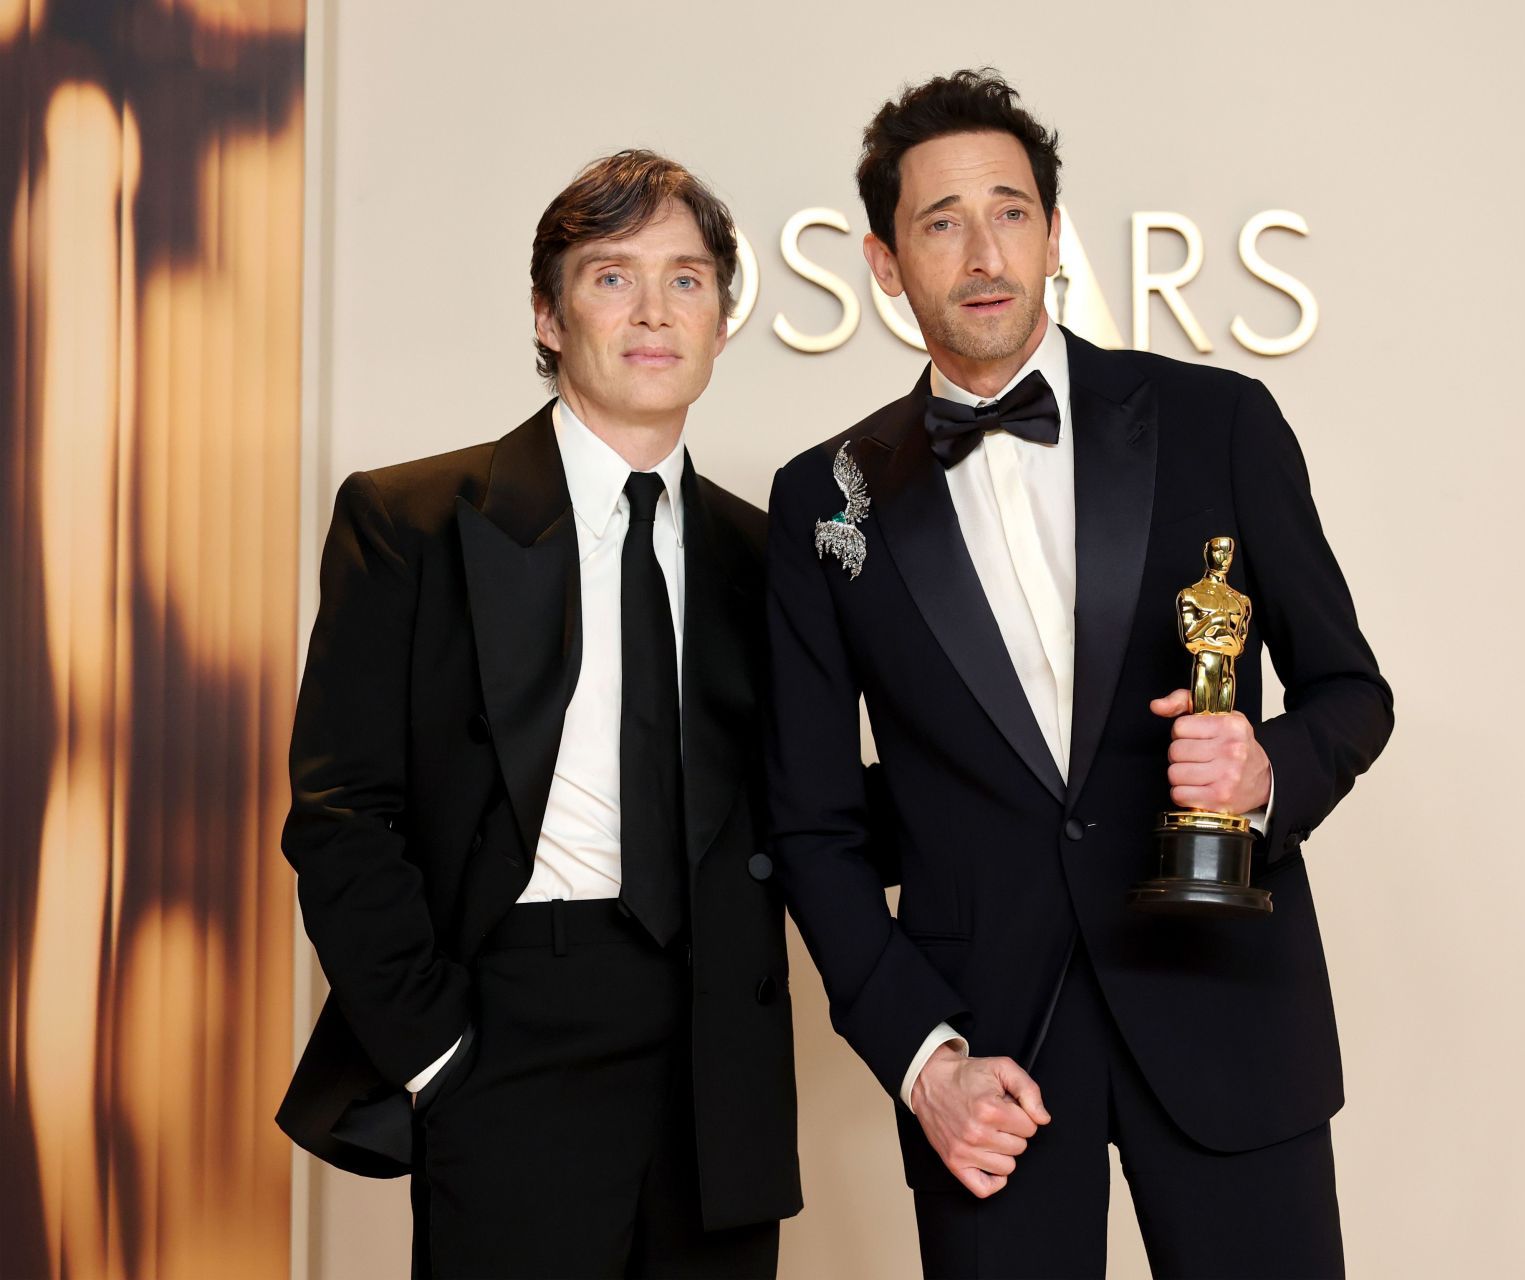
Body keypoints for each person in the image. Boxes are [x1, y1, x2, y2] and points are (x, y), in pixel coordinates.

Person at [765, 71, 1392, 1278]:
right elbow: (810, 823)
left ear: (1055, 234)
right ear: (887, 263)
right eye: (941, 221)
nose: (983, 249)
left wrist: (1265, 770)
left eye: (1010, 210)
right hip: (990, 1059)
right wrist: (921, 1059)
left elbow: (1351, 691)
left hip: (1226, 1006)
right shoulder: (822, 499)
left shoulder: (1220, 420)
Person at [276, 149, 798, 1278]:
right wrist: (435, 1048)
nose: (655, 311)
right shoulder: (409, 519)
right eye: (612, 277)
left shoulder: (760, 553)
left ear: (720, 317)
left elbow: (809, 806)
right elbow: (340, 812)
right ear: (548, 315)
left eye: (689, 279)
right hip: (511, 1026)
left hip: (721, 1046)